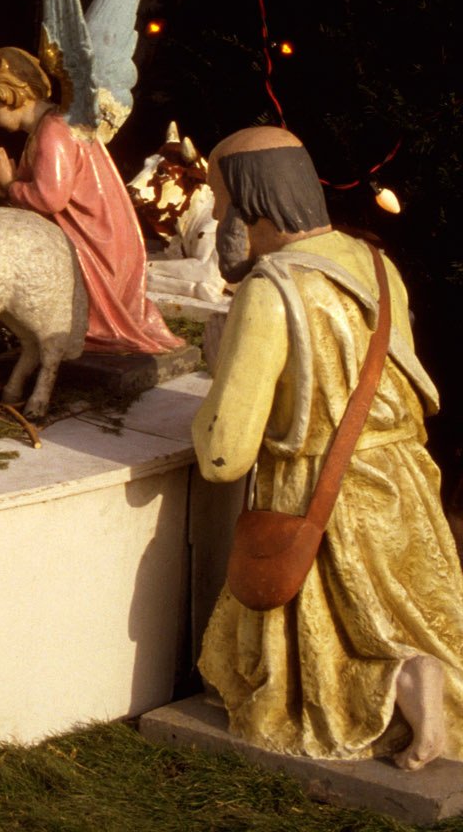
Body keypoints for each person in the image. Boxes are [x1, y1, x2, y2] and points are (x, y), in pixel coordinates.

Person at [194, 125, 463, 769]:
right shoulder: (376, 262)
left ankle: (375, 701)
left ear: (248, 202)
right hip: (402, 477)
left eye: (220, 200)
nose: (217, 217)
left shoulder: (271, 288)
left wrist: (213, 382)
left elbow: (225, 452)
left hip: (321, 489)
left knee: (341, 626)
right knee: (402, 611)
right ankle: (427, 703)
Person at [0, 46, 182, 355]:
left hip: (94, 244)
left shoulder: (53, 132)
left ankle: (86, 331)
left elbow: (49, 199)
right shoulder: (50, 125)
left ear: (10, 96)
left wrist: (9, 185)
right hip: (99, 235)